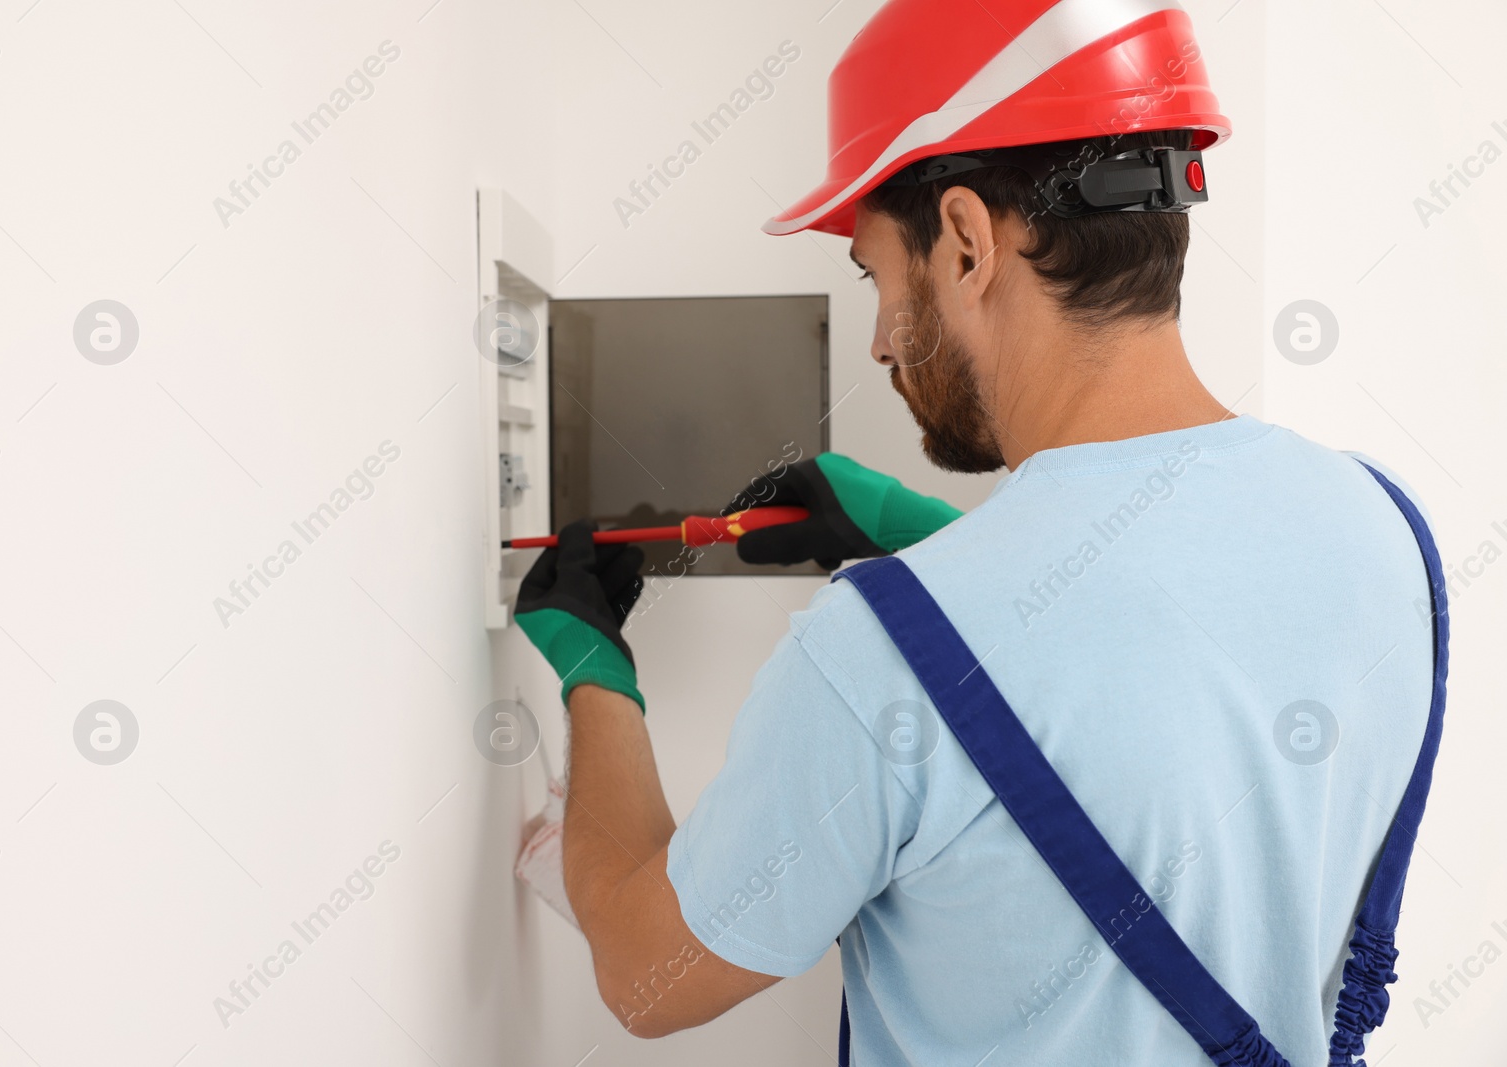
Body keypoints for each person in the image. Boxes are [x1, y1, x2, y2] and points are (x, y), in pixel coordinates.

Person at [513, 1, 1448, 1063]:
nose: (876, 342)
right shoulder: (1383, 531)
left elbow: (649, 973)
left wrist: (598, 673)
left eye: (875, 276)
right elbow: (1145, 641)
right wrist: (923, 539)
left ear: (963, 241)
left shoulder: (870, 653)